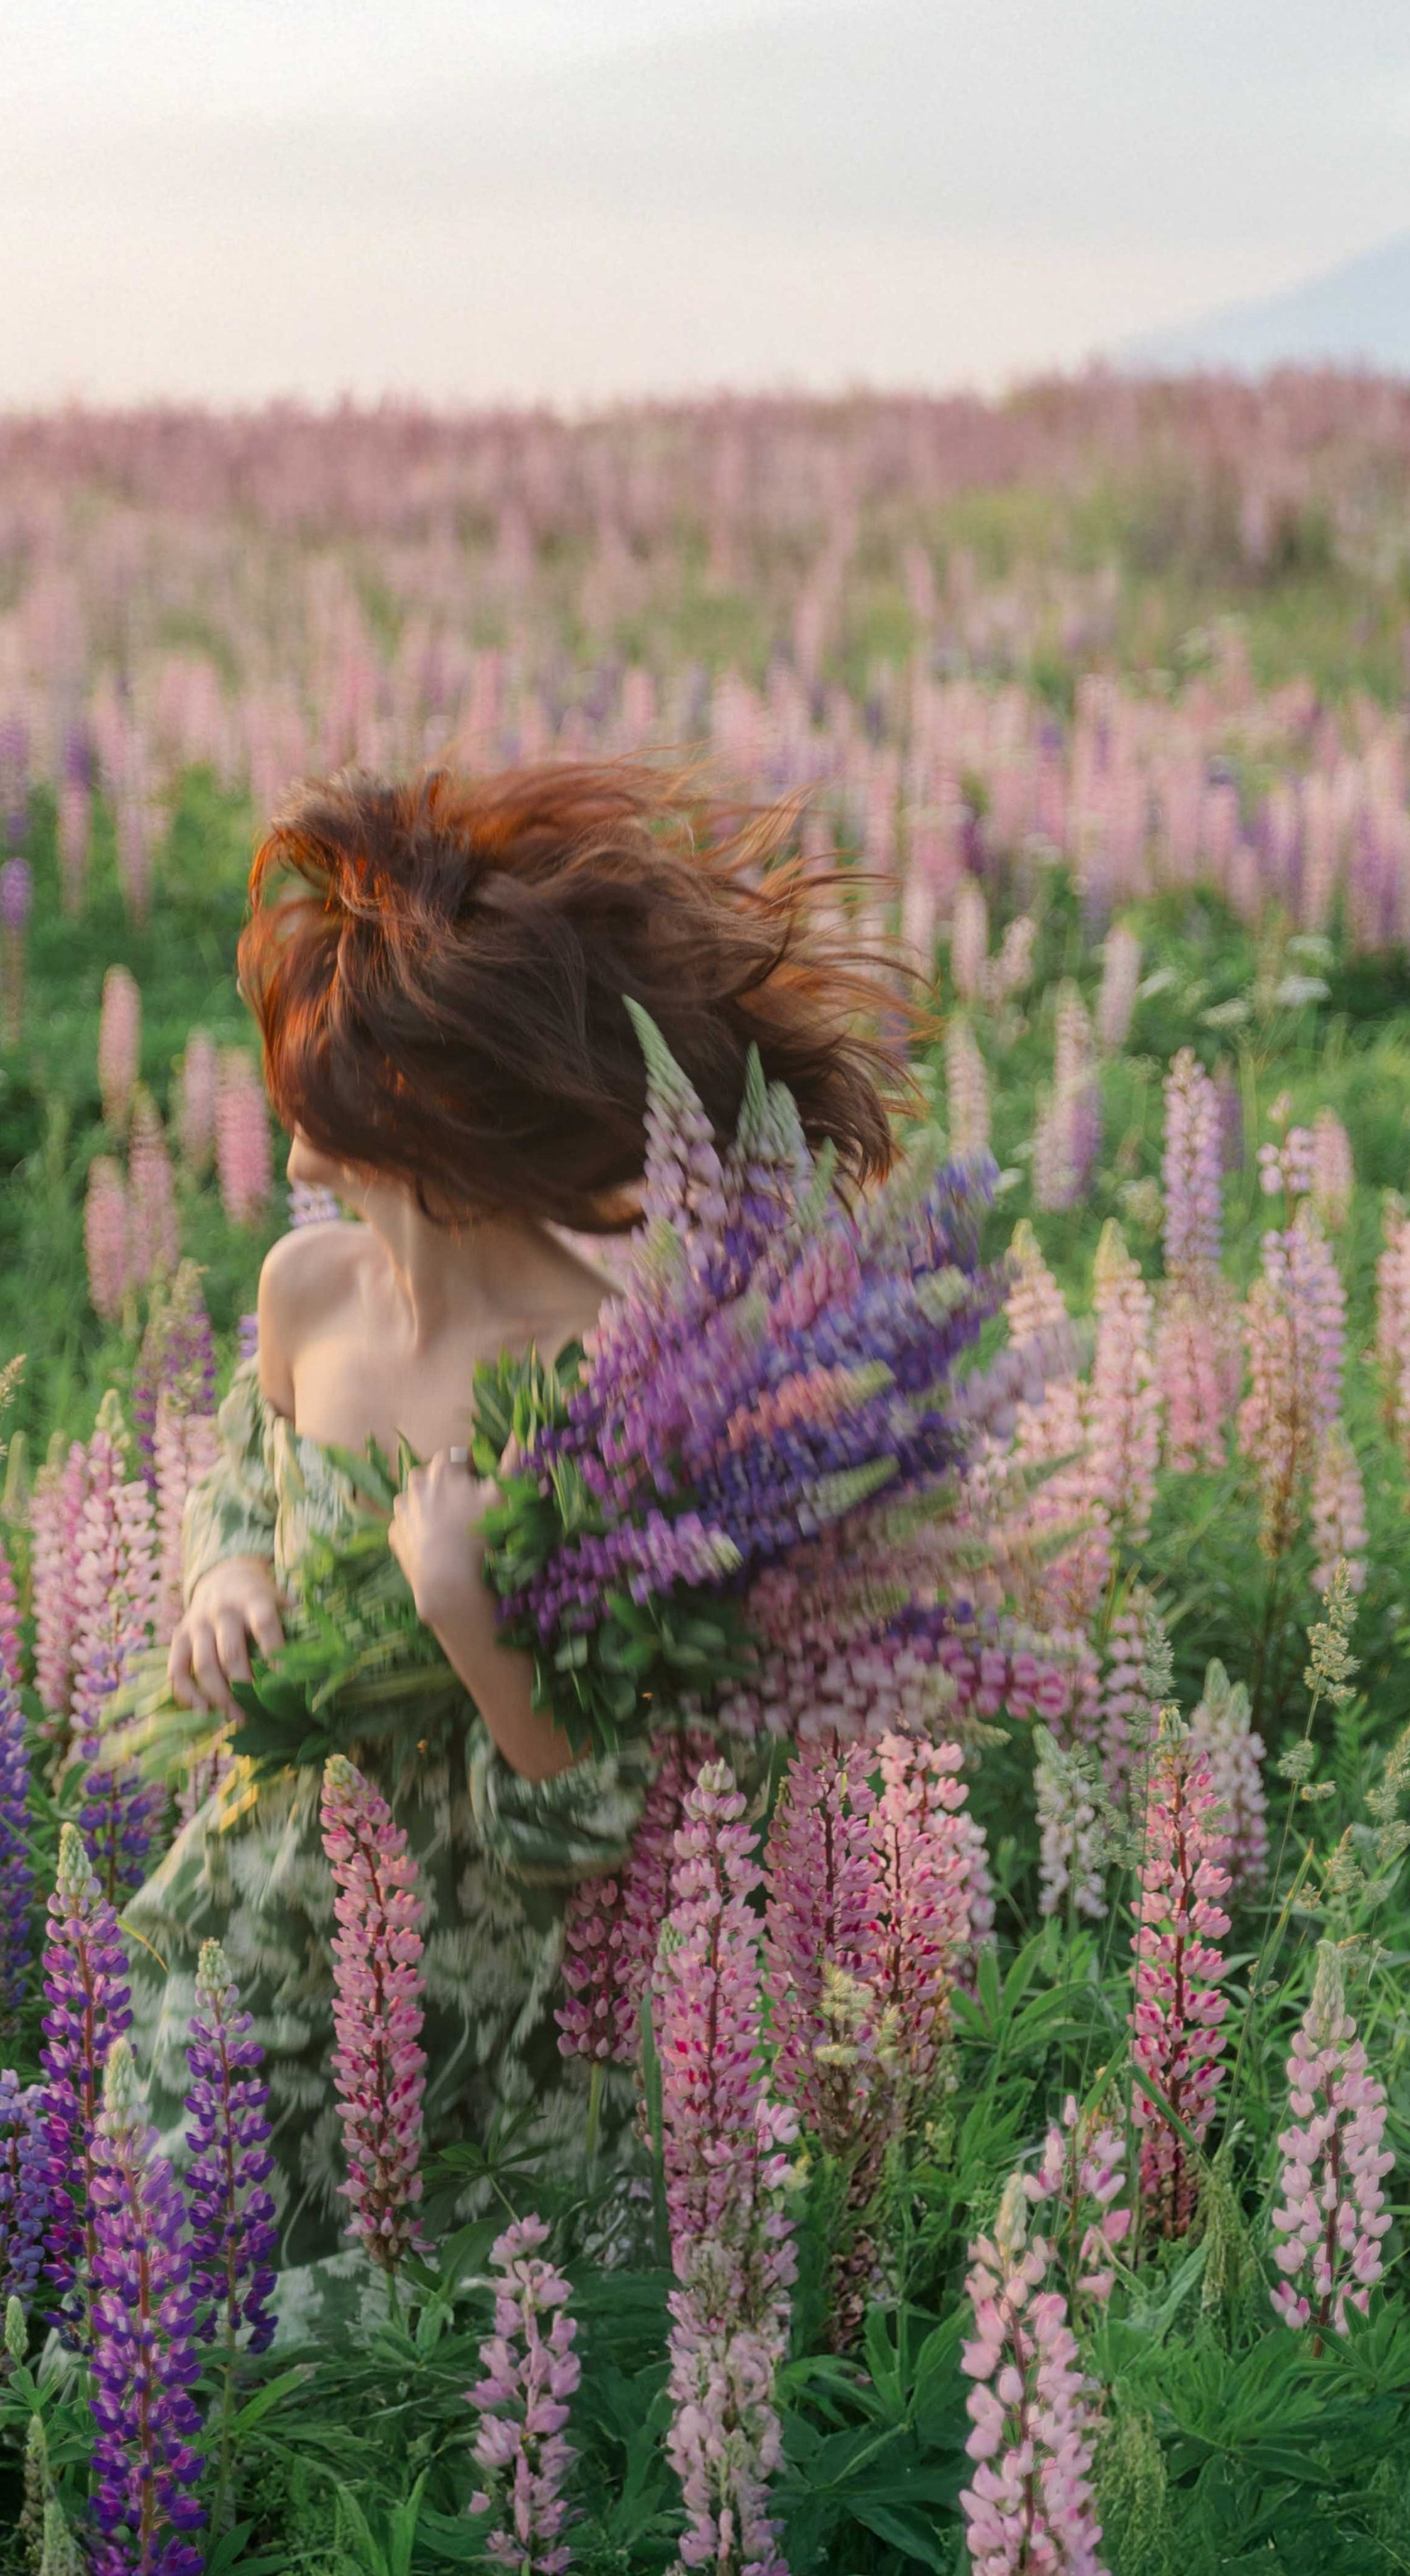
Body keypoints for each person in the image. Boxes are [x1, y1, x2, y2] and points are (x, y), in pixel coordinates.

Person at [131, 757, 911, 2329]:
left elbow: (585, 1814)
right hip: (261, 1923)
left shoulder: (613, 1382)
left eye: (313, 1081)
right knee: (155, 2328)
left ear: (415, 1116)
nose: (280, 1107)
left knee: (370, 2377)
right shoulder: (308, 1296)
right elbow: (242, 1470)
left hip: (492, 2018)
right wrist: (224, 1575)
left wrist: (466, 1612)